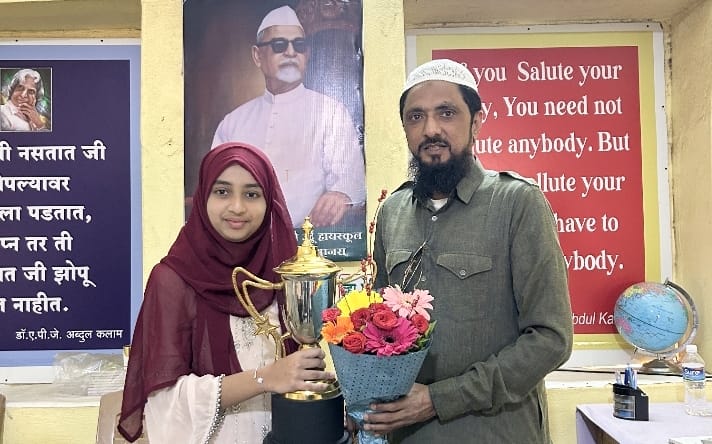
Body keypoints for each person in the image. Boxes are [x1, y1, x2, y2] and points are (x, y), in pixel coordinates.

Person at [365, 59, 574, 443]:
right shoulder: (392, 211)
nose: (431, 129)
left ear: (477, 121)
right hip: (408, 434)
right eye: (416, 117)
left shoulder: (517, 203)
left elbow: (551, 339)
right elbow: (381, 328)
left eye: (447, 113)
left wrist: (439, 400)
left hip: (495, 432)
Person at [118, 143, 335, 443]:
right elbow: (164, 405)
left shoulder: (286, 271)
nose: (237, 207)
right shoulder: (173, 279)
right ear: (202, 197)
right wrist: (265, 378)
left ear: (270, 200)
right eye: (222, 192)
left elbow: (298, 370)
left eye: (252, 194)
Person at [211, 5, 366, 228]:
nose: (291, 52)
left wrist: (341, 194)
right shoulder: (233, 123)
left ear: (307, 54)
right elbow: (216, 188)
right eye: (279, 45)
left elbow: (351, 180)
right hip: (245, 241)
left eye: (299, 45)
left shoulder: (330, 112)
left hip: (308, 244)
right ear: (257, 56)